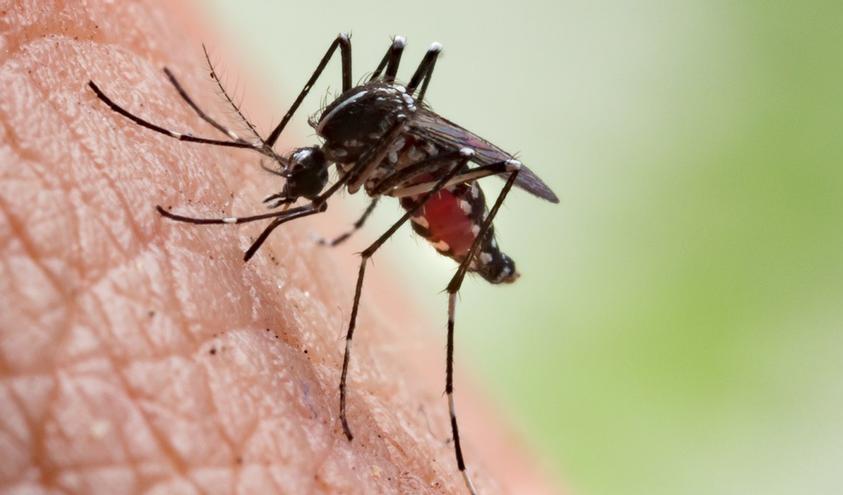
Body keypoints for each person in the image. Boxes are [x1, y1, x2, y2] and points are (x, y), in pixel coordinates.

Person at [0, 1, 560, 493]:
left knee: (470, 170)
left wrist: (363, 226)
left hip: (447, 194)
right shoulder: (342, 136)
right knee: (369, 66)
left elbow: (463, 150)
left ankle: (453, 394)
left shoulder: (358, 141)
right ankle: (349, 176)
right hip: (398, 154)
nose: (296, 185)